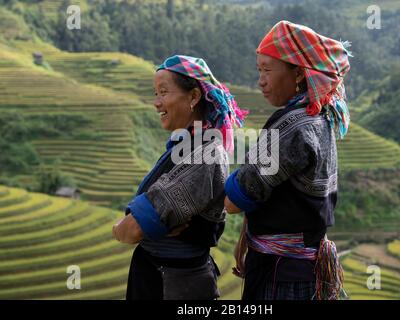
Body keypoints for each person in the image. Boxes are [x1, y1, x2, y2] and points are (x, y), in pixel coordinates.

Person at [224, 20, 351, 300]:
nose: (261, 80)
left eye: (268, 70)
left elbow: (235, 199)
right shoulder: (319, 118)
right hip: (300, 266)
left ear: (297, 73)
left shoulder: (293, 127)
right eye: (259, 70)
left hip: (281, 276)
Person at [112, 55, 247, 300]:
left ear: (194, 97)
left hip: (174, 284)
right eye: (155, 93)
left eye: (163, 92)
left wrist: (123, 226)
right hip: (163, 277)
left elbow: (129, 231)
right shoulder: (187, 146)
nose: (156, 102)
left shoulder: (204, 156)